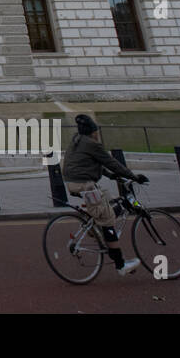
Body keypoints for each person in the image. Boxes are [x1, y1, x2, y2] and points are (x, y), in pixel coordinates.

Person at [62, 114, 150, 275]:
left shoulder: (78, 141)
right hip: (85, 185)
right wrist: (134, 176)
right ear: (93, 132)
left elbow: (94, 164)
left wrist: (112, 176)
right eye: (97, 130)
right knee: (108, 219)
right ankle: (121, 265)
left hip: (75, 182)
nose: (98, 133)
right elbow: (111, 162)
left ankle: (95, 226)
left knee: (107, 198)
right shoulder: (92, 144)